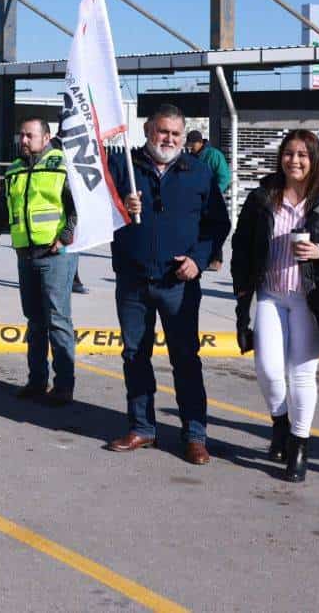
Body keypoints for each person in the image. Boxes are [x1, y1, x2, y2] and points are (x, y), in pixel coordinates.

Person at [229, 129, 319, 483]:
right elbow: (241, 243)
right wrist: (241, 288)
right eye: (289, 153)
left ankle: (299, 445)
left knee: (302, 373)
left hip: (310, 299)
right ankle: (280, 422)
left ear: (314, 158)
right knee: (269, 370)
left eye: (303, 154)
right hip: (271, 295)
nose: (295, 160)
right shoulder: (262, 196)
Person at [103, 104, 230, 465]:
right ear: (147, 129)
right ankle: (142, 427)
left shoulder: (199, 173)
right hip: (133, 280)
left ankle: (194, 434)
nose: (169, 139)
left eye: (176, 133)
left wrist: (199, 260)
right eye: (163, 132)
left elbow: (217, 225)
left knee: (186, 359)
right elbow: (92, 207)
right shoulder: (123, 167)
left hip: (179, 283)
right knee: (134, 355)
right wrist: (120, 207)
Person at [0, 118, 78, 405]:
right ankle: (37, 381)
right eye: (22, 135)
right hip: (25, 256)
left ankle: (64, 385)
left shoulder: (62, 165)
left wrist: (66, 236)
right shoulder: (15, 169)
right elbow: (1, 211)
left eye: (30, 135)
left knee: (57, 320)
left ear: (47, 137)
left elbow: (78, 205)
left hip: (54, 256)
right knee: (35, 321)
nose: (24, 140)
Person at [186, 129, 232, 273]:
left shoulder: (214, 155)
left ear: (199, 143)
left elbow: (224, 176)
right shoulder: (190, 157)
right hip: (195, 199)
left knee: (214, 228)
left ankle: (216, 259)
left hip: (212, 199)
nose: (190, 147)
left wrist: (214, 192)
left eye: (192, 144)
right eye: (188, 144)